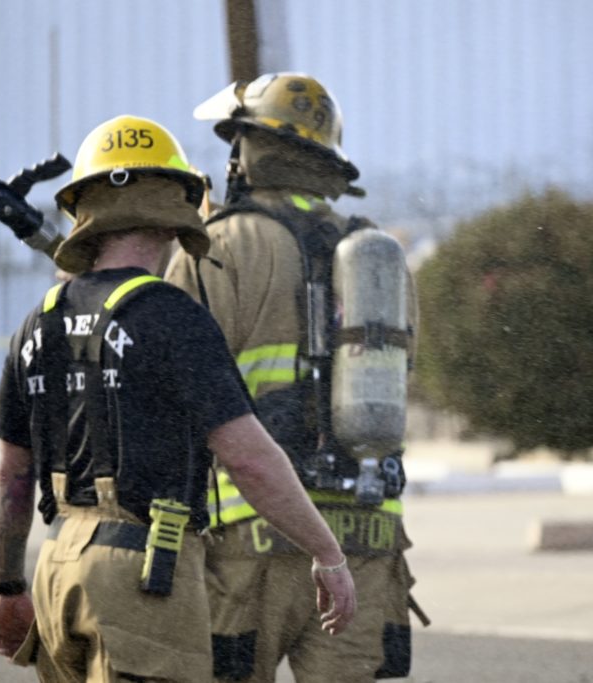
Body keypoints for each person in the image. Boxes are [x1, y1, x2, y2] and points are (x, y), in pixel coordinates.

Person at [0, 113, 356, 682]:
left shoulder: (39, 321)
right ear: (174, 208)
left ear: (85, 209)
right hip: (142, 578)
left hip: (55, 567)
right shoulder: (172, 317)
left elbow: (11, 478)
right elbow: (249, 459)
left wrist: (7, 585)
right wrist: (327, 553)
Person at [167, 72, 421, 682]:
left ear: (248, 149)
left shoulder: (215, 247)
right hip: (367, 531)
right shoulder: (379, 257)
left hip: (250, 531)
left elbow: (167, 386)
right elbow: (404, 369)